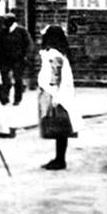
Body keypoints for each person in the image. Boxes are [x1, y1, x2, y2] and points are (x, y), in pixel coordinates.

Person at [38, 25, 81, 169]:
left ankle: (60, 159)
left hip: (56, 94)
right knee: (60, 128)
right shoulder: (60, 53)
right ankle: (59, 157)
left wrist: (54, 96)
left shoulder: (53, 54)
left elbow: (55, 76)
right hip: (60, 94)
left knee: (59, 128)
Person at [0, 12, 32, 107]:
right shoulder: (4, 31)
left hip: (18, 59)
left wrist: (26, 56)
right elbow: (0, 44)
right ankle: (4, 98)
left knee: (18, 79)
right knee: (5, 79)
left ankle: (17, 99)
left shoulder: (21, 31)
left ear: (11, 21)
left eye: (6, 21)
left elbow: (29, 44)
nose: (4, 23)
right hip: (5, 59)